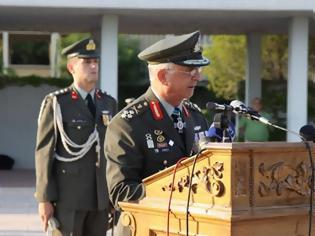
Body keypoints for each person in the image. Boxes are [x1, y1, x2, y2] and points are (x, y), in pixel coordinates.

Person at [104, 31, 210, 235]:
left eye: (197, 68)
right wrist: (179, 191)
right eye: (189, 69)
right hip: (145, 228)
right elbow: (121, 193)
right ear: (163, 76)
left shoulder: (195, 116)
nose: (197, 75)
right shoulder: (128, 124)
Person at [34, 37, 117, 236]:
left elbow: (113, 151)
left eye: (95, 62)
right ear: (72, 67)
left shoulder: (108, 103)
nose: (93, 66)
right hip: (69, 197)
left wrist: (114, 193)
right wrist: (44, 199)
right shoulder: (57, 103)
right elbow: (44, 152)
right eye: (87, 62)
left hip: (100, 197)